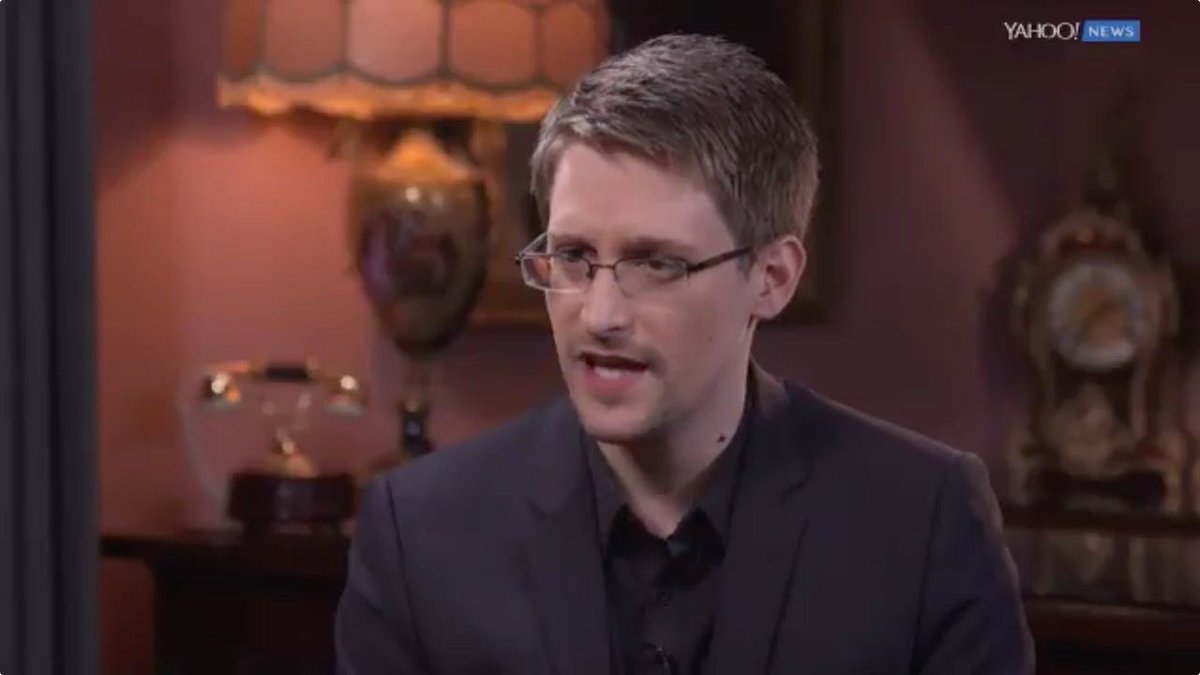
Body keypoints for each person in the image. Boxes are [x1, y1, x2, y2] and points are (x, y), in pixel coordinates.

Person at [335, 33, 1034, 675]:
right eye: (573, 256)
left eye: (657, 264)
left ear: (771, 277)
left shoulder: (923, 523)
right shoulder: (418, 533)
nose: (600, 315)